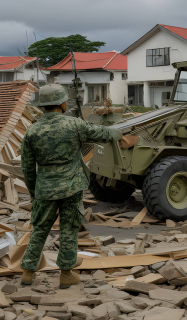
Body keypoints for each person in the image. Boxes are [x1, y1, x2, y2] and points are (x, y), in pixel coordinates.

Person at [20, 84, 124, 288]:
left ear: (43, 106)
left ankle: (27, 272)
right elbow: (101, 133)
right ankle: (66, 274)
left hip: (45, 188)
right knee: (69, 229)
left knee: (40, 229)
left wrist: (34, 193)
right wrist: (118, 134)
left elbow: (27, 168)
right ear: (61, 103)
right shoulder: (74, 125)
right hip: (72, 186)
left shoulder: (32, 131)